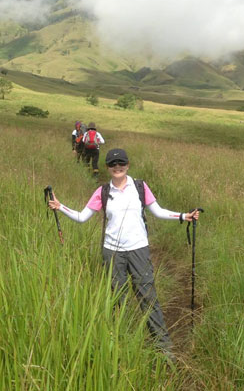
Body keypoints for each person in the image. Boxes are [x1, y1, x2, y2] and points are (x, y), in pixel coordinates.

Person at [47, 148, 200, 360]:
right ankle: (116, 346)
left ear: (127, 165)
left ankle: (164, 349)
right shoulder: (102, 192)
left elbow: (158, 211)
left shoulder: (139, 187)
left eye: (121, 164)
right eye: (112, 164)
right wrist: (60, 206)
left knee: (148, 298)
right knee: (116, 301)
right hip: (112, 253)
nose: (117, 167)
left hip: (138, 249)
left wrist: (184, 216)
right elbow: (82, 217)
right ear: (108, 167)